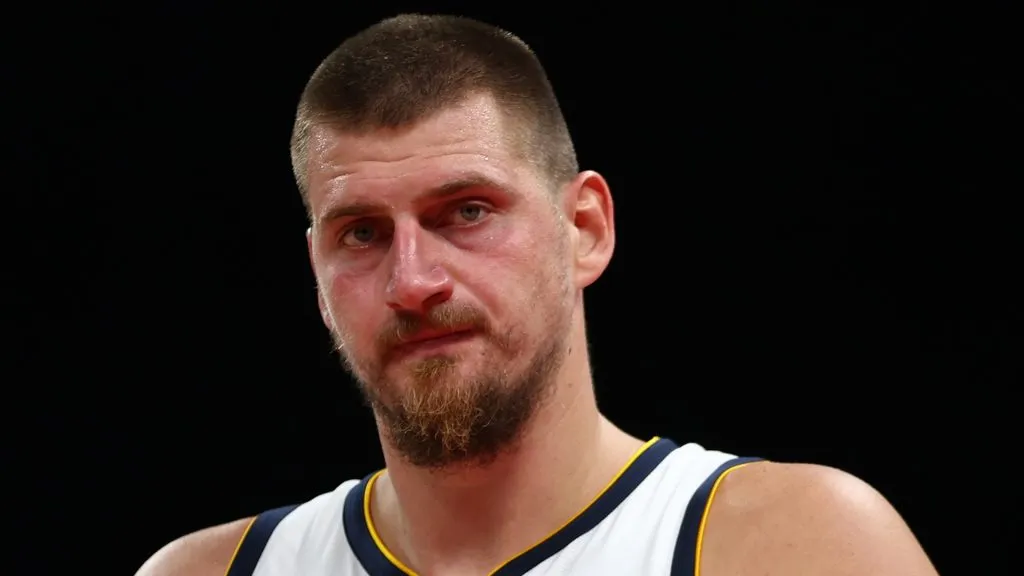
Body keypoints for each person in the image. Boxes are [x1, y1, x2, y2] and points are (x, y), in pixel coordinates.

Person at [136, 13, 938, 576]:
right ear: (316, 273)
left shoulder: (793, 548)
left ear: (584, 227)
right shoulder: (212, 571)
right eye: (362, 233)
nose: (413, 281)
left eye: (468, 212)